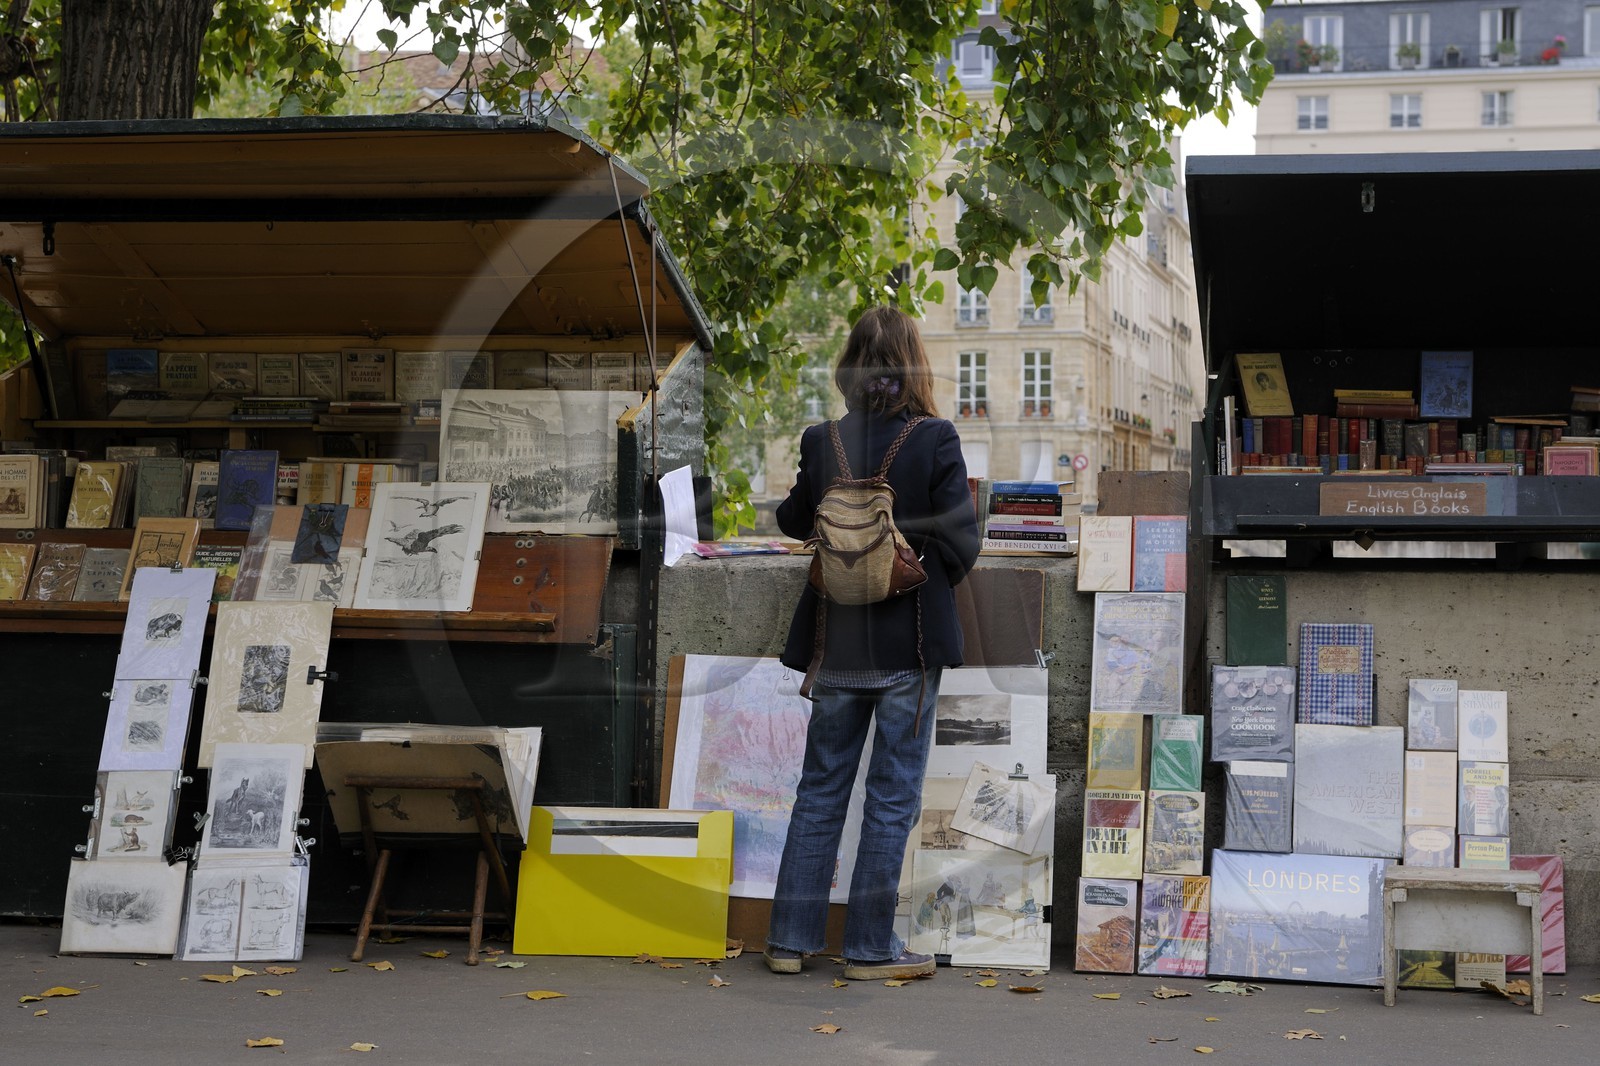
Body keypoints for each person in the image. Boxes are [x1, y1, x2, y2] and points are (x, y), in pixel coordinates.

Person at [763, 305, 981, 981]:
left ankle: (789, 943)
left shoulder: (821, 438)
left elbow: (796, 520)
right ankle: (866, 951)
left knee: (820, 792)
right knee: (891, 800)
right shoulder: (936, 438)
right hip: (908, 651)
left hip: (835, 647)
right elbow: (962, 545)